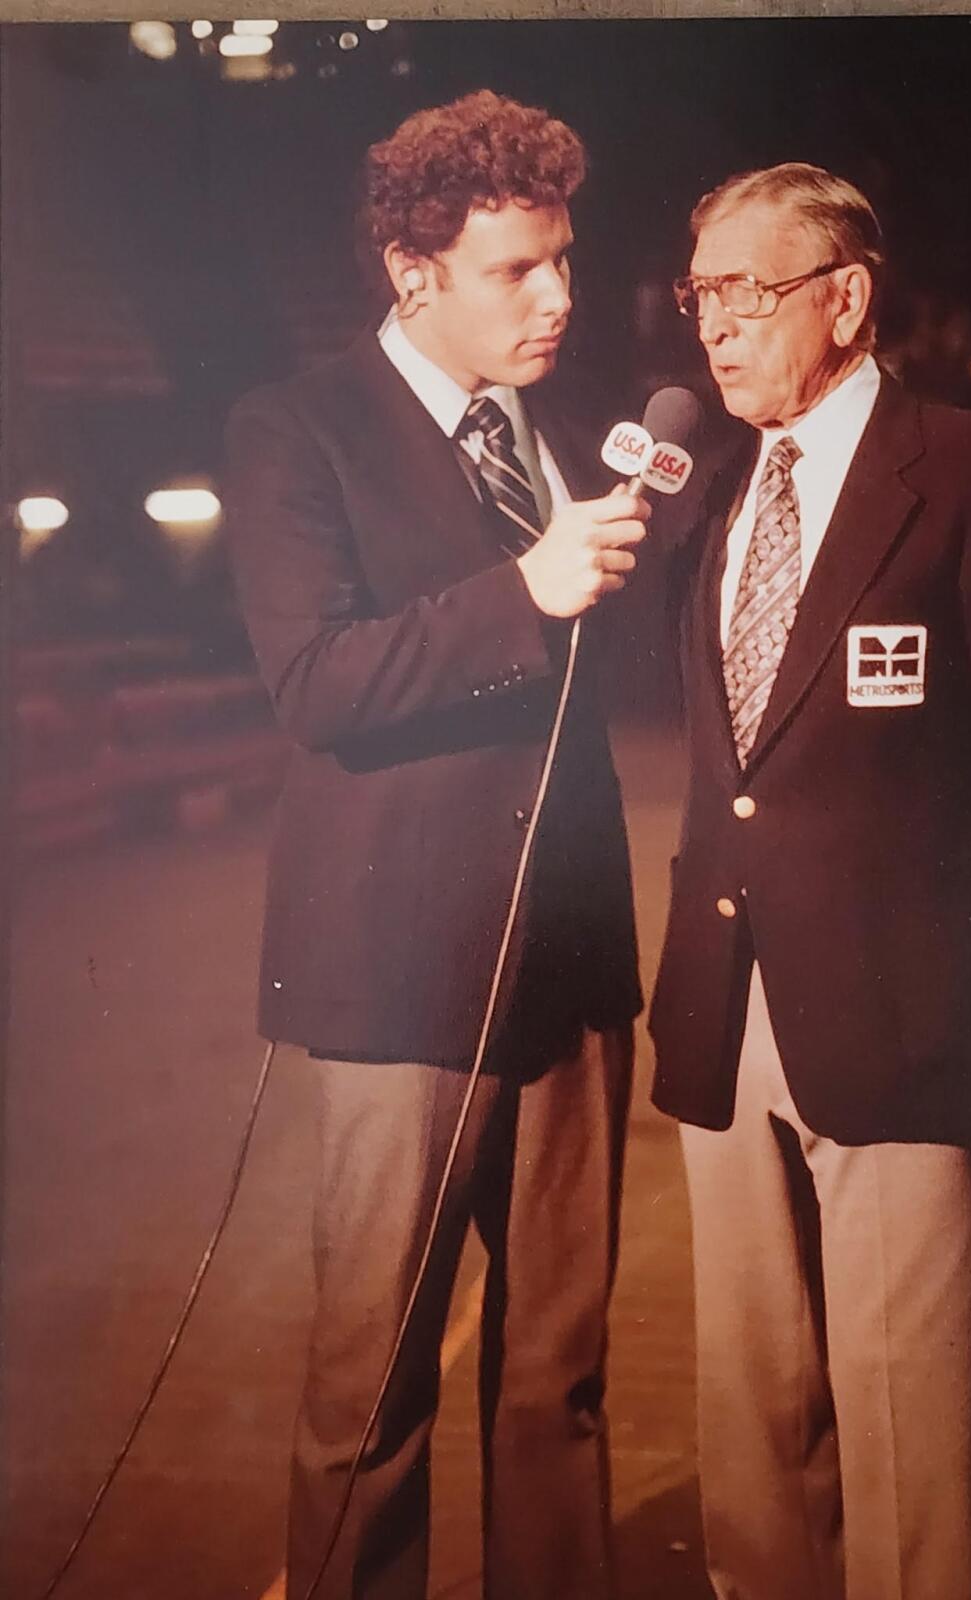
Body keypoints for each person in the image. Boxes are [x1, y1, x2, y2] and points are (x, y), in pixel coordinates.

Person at [649, 162, 971, 1600]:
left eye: (750, 290)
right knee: (750, 1408)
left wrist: (950, 944)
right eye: (701, 294)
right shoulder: (714, 487)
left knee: (904, 1414)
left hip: (905, 1015)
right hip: (725, 1003)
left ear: (845, 298)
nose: (716, 326)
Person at [224, 90, 649, 1600]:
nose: (558, 296)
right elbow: (315, 682)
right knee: (372, 1396)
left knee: (559, 1379)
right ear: (414, 273)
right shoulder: (296, 429)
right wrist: (522, 591)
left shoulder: (556, 418)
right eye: (515, 270)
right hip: (400, 980)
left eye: (564, 259)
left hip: (571, 968)